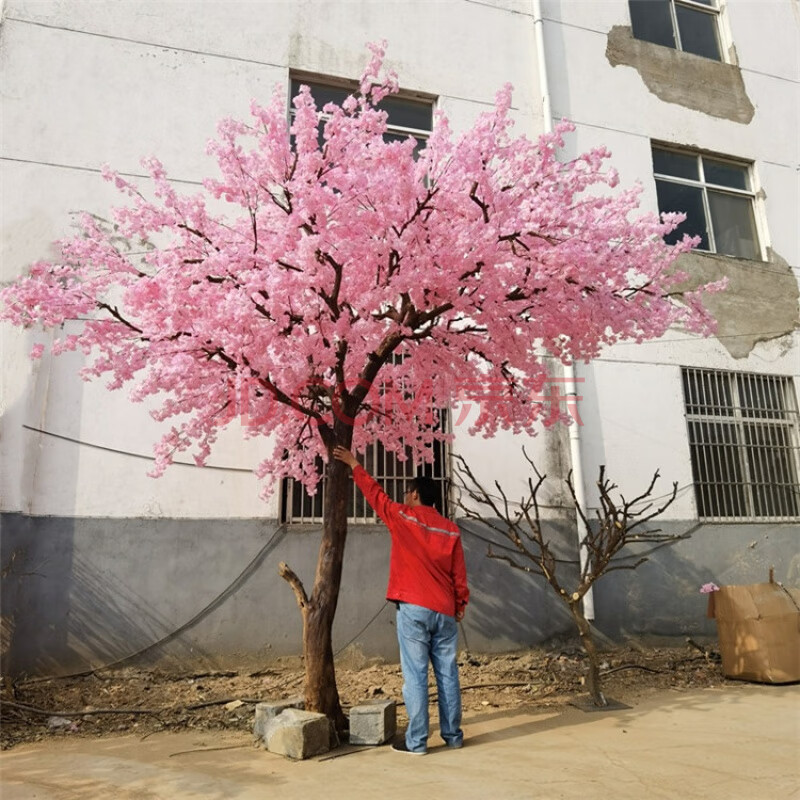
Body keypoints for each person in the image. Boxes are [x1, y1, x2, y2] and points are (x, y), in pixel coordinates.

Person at [333, 445, 469, 755]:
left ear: (416, 495)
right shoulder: (450, 530)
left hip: (414, 608)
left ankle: (417, 741)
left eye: (408, 492)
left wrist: (355, 464)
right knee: (448, 673)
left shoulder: (403, 517)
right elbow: (459, 577)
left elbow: (375, 495)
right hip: (445, 612)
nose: (405, 497)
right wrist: (459, 606)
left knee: (416, 674)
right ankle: (453, 736)